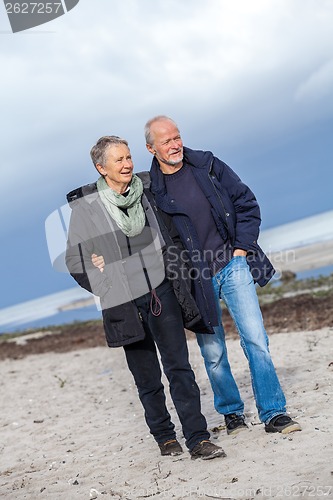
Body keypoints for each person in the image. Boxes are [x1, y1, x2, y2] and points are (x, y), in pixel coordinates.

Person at [65, 135, 226, 460]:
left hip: (161, 292)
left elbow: (174, 237)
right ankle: (165, 438)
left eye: (128, 157)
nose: (127, 164)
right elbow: (75, 260)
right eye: (119, 160)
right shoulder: (87, 209)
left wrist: (178, 272)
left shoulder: (149, 194)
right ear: (101, 168)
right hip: (122, 303)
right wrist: (100, 278)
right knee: (147, 378)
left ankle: (197, 439)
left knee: (179, 368)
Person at [145, 115, 302, 435]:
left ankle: (274, 413)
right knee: (213, 352)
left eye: (177, 137)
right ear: (151, 148)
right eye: (166, 141)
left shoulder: (207, 165)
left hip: (233, 265)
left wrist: (242, 249)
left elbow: (246, 202)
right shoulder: (152, 191)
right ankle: (232, 413)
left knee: (256, 339)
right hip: (195, 279)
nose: (175, 144)